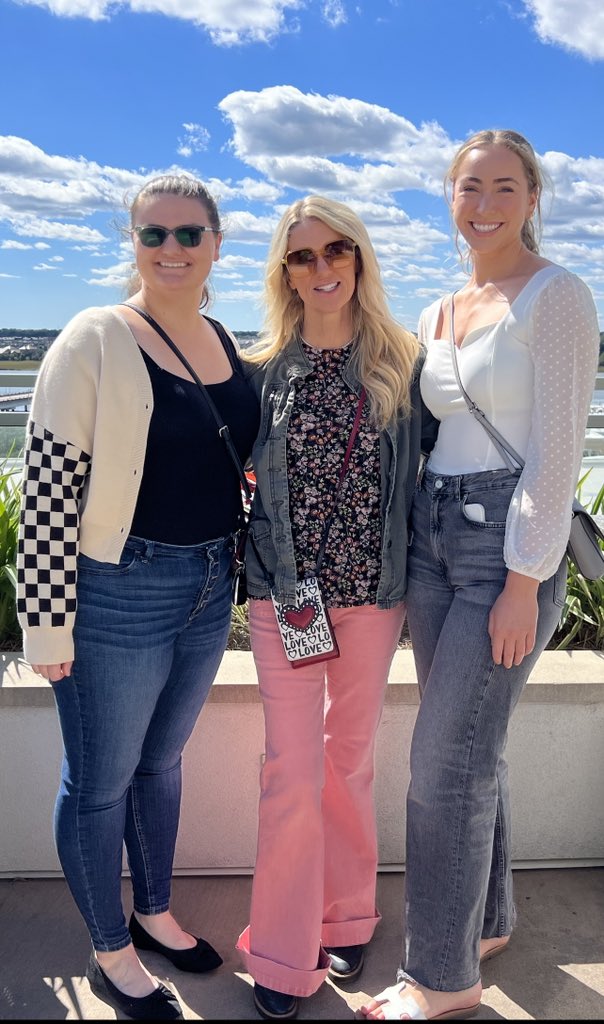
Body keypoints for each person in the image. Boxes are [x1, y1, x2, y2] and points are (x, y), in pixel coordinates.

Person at [359, 129, 601, 1021]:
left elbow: (557, 449)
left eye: (504, 186)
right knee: (469, 750)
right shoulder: (439, 310)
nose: (485, 203)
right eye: (470, 187)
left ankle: (441, 977)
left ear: (533, 197)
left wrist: (523, 580)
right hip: (433, 535)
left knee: (442, 770)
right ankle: (487, 921)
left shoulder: (557, 294)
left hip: (506, 544)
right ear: (449, 197)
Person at [16, 174, 260, 1021]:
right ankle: (109, 947)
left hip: (209, 584)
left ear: (217, 244)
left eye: (189, 234)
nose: (171, 249)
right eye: (153, 234)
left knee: (161, 765)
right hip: (118, 589)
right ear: (133, 242)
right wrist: (46, 626)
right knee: (99, 782)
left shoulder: (222, 338)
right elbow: (47, 487)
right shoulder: (94, 337)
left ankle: (154, 913)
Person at [235, 194, 436, 1021]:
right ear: (285, 273)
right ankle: (283, 955)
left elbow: (443, 466)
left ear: (358, 257)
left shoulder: (404, 362)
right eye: (302, 256)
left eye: (335, 250)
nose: (321, 268)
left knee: (349, 762)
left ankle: (347, 917)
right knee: (291, 772)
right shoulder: (259, 372)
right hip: (285, 597)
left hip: (373, 595)